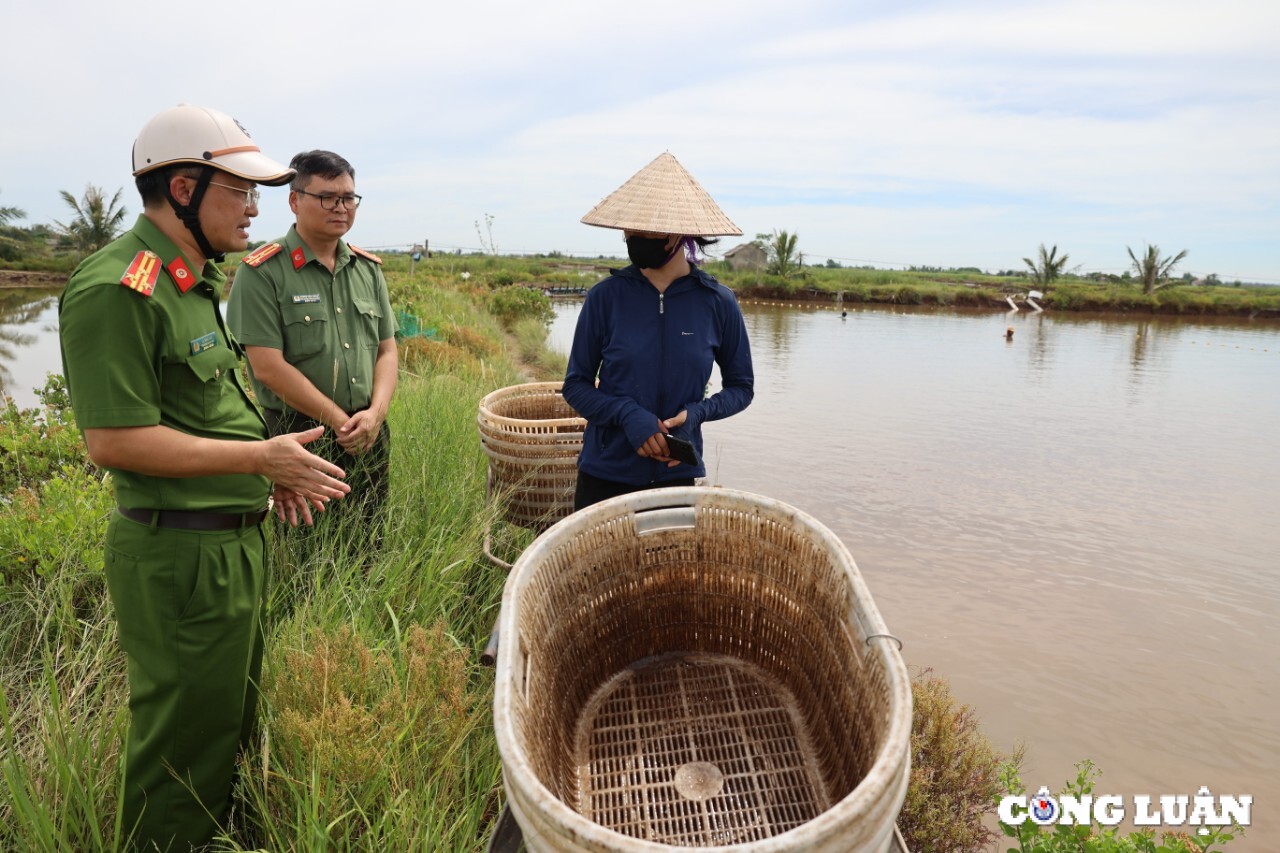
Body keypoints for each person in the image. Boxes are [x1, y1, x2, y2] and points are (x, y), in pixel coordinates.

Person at [58, 104, 350, 852]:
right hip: (179, 557)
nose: (256, 209)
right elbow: (113, 438)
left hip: (232, 545)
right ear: (183, 188)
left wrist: (264, 477)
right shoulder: (119, 287)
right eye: (240, 192)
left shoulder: (192, 282)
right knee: (179, 748)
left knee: (225, 725)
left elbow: (204, 412)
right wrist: (258, 458)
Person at [226, 150, 397, 553]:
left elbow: (387, 351)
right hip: (299, 435)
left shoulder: (367, 270)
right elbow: (267, 367)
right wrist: (339, 421)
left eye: (348, 198)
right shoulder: (263, 271)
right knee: (306, 553)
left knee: (369, 541)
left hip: (368, 432)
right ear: (295, 200)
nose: (340, 207)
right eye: (327, 197)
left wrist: (376, 414)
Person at [563, 153, 754, 510]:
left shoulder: (718, 302)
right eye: (630, 229)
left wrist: (695, 414)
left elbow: (742, 389)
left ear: (680, 234)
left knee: (667, 567)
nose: (635, 237)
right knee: (599, 568)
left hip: (675, 477)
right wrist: (626, 414)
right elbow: (575, 386)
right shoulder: (606, 298)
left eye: (648, 230)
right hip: (604, 473)